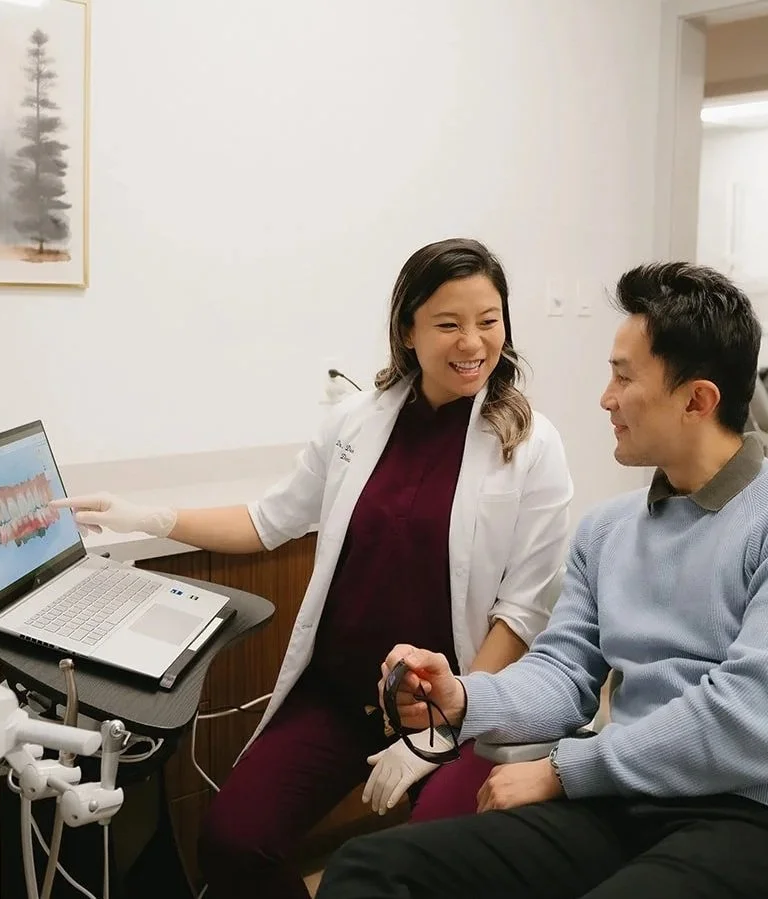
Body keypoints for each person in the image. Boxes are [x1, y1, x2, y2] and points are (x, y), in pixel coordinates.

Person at [316, 262, 768, 899]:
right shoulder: (608, 531)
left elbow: (756, 724)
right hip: (640, 797)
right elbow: (564, 674)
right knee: (368, 870)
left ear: (697, 400)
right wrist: (463, 698)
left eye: (624, 378)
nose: (606, 398)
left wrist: (566, 769)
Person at [51, 238, 574, 899]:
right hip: (341, 694)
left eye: (488, 321)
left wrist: (447, 724)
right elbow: (268, 520)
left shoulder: (531, 445)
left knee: (427, 868)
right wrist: (152, 518)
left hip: (456, 703)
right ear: (407, 330)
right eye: (448, 323)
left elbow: (522, 613)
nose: (472, 342)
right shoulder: (357, 420)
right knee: (232, 843)